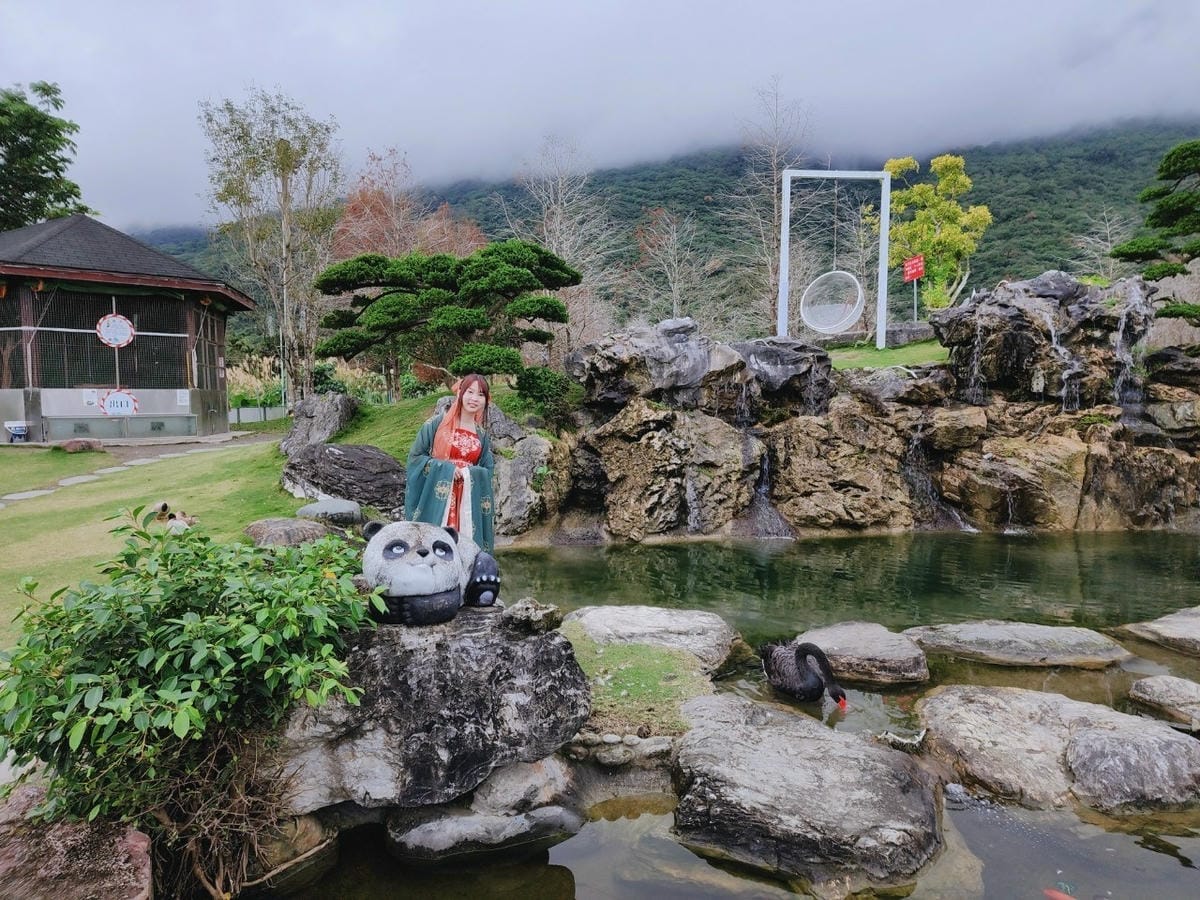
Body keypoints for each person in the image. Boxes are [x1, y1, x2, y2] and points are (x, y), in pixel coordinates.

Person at [404, 374, 496, 552]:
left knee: (466, 553)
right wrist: (445, 469)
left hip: (468, 500)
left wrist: (470, 474)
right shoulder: (438, 423)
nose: (474, 399)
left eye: (480, 394)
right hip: (439, 496)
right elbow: (416, 457)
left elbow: (488, 468)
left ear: (486, 400)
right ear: (460, 393)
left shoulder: (482, 435)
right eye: (470, 392)